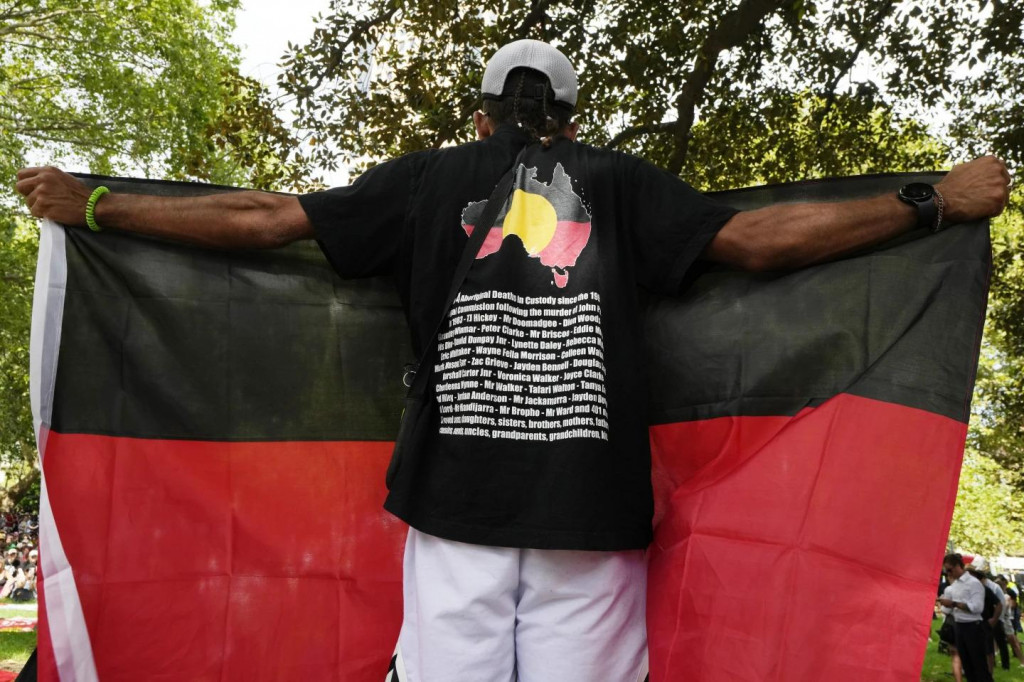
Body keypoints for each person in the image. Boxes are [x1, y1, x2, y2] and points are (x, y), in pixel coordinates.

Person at [16, 40, 1011, 682]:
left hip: (457, 512)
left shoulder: (426, 180)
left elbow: (269, 218)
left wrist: (99, 207)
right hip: (594, 515)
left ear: (482, 113)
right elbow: (762, 239)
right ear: (571, 119)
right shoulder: (621, 184)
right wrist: (930, 202)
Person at [941, 553, 995, 682]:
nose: (948, 573)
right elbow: (948, 609)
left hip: (973, 627)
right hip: (959, 626)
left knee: (979, 666)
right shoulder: (955, 585)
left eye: (949, 569)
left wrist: (953, 604)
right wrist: (945, 604)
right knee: (967, 666)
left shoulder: (973, 583)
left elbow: (977, 608)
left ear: (959, 566)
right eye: (946, 570)